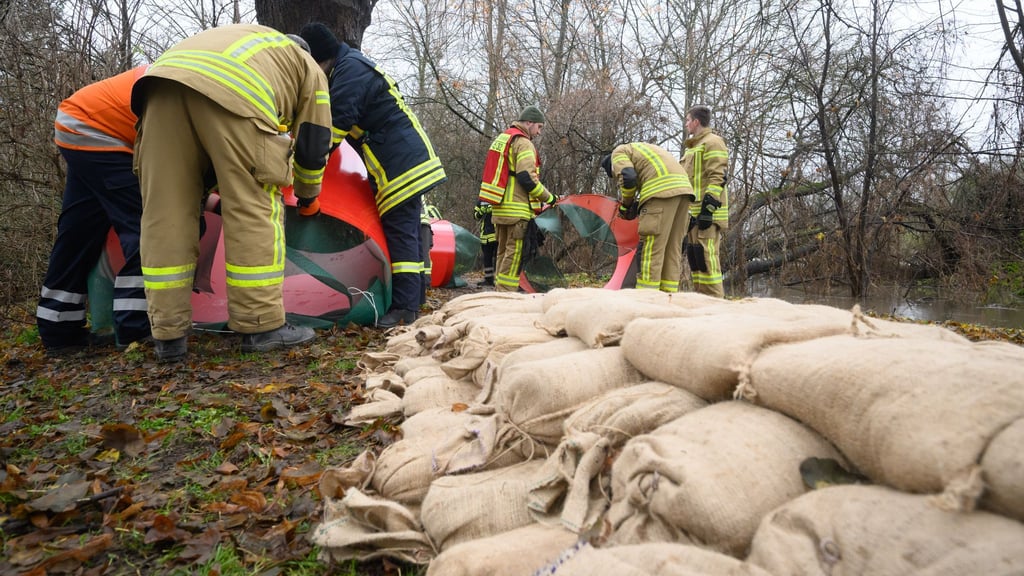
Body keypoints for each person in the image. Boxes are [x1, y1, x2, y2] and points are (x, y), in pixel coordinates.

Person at [132, 24, 333, 362]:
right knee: (253, 207)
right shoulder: (307, 64)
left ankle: (168, 335)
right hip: (234, 91)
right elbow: (314, 139)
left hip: (158, 91)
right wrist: (307, 192)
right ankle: (262, 326)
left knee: (165, 214)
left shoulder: (246, 39)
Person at [299, 22, 448, 328]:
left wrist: (304, 174)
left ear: (318, 59)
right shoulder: (350, 66)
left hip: (401, 162)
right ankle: (414, 299)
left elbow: (333, 128)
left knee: (400, 233)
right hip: (402, 159)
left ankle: (405, 310)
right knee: (407, 231)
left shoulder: (349, 72)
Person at [37, 66, 152, 356]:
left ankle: (58, 330)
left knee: (80, 230)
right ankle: (134, 330)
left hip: (77, 122)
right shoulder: (208, 89)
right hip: (100, 131)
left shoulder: (195, 72)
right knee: (149, 227)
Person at [478, 106, 556, 292]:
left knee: (503, 251)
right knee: (515, 254)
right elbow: (527, 178)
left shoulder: (503, 138)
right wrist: (549, 197)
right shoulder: (523, 143)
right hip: (517, 210)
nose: (539, 132)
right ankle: (506, 294)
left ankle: (500, 289)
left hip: (500, 209)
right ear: (528, 123)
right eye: (538, 126)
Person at [601, 142, 694, 292]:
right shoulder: (644, 150)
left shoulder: (618, 153)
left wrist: (627, 205)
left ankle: (647, 296)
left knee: (651, 249)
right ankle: (667, 297)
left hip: (661, 193)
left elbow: (628, 178)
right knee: (672, 249)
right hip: (684, 193)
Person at [680, 105, 729, 297]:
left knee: (708, 259)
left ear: (696, 122)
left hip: (706, 214)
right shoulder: (693, 148)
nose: (686, 124)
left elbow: (718, 176)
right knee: (696, 257)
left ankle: (716, 302)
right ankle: (702, 301)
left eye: (687, 120)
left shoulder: (713, 142)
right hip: (693, 213)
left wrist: (708, 210)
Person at [474, 200, 497, 286]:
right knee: (487, 258)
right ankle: (488, 279)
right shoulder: (480, 201)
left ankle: (498, 279)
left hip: (496, 234)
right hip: (485, 236)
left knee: (499, 257)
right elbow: (475, 216)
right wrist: (481, 211)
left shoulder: (497, 197)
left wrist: (494, 210)